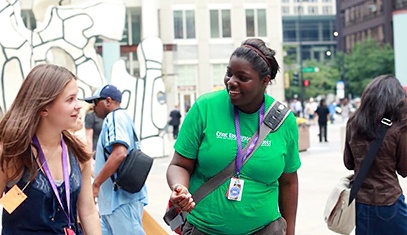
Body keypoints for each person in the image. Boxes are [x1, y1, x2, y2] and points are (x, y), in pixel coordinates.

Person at [166, 38, 301, 235]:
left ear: (265, 81)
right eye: (229, 73)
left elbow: (289, 182)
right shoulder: (205, 108)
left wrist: (290, 232)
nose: (231, 82)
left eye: (242, 77)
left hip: (264, 230)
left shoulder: (284, 121)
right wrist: (180, 188)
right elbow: (179, 164)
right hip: (204, 229)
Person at [0, 64, 101, 234]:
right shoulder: (12, 153)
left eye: (77, 98)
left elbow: (88, 212)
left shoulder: (77, 152)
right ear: (44, 107)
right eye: (70, 99)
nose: (78, 105)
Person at [344, 75, 407, 234]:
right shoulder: (398, 127)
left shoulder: (353, 122)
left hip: (360, 203)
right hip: (389, 200)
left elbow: (348, 163)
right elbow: (404, 169)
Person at [83, 84, 148, 235]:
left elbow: (119, 153)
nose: (93, 107)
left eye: (95, 102)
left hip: (120, 200)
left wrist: (96, 184)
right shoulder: (121, 117)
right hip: (113, 202)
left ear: (107, 101)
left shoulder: (115, 117)